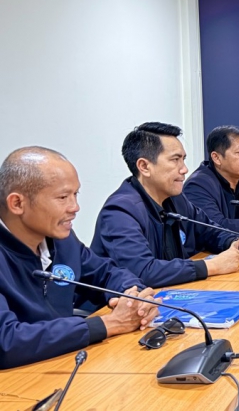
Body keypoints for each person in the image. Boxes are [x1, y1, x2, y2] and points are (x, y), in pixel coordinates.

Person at [0, 147, 159, 369]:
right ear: (17, 203)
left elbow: (106, 273)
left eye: (76, 195)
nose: (75, 207)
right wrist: (108, 324)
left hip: (63, 360)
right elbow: (6, 342)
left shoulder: (63, 240)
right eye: (63, 197)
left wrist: (134, 298)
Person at [91, 122, 239, 289]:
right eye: (175, 160)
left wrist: (233, 241)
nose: (184, 169)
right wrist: (211, 266)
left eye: (183, 160)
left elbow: (209, 230)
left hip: (175, 292)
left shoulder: (176, 198)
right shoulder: (120, 212)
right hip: (128, 302)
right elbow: (143, 272)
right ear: (144, 166)